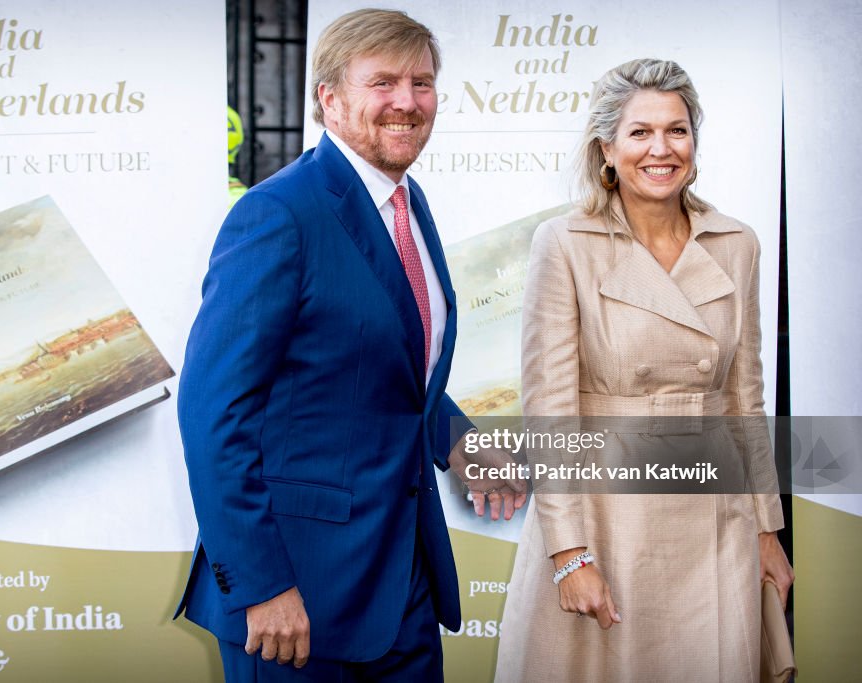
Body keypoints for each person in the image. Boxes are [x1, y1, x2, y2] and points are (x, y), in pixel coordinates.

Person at [175, 9, 524, 681]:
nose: (407, 101)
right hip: (294, 601)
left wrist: (456, 437)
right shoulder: (277, 215)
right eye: (383, 82)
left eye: (422, 83)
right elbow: (212, 412)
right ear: (328, 100)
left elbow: (373, 360)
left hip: (402, 581)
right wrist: (259, 584)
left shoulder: (407, 201)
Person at [494, 59, 794, 682]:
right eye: (640, 132)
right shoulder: (564, 241)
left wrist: (768, 528)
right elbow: (550, 410)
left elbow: (745, 398)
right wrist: (570, 554)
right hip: (605, 515)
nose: (662, 149)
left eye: (677, 130)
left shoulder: (738, 243)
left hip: (718, 517)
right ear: (606, 147)